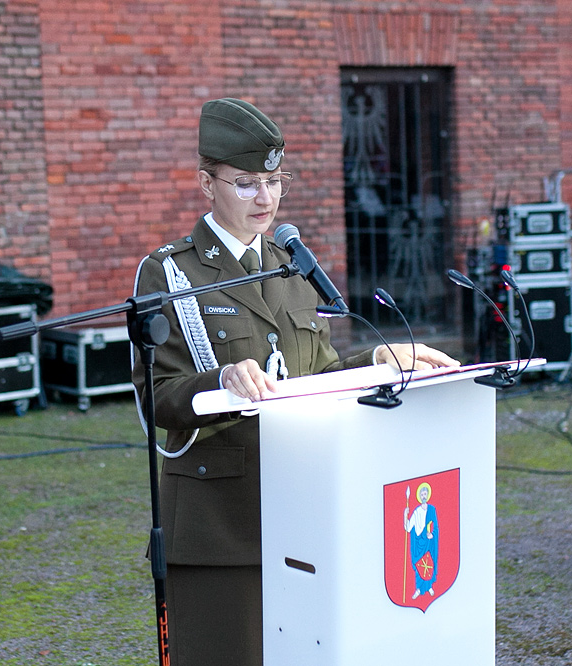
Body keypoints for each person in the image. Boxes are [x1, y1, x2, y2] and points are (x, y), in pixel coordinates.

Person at [131, 97, 459, 666]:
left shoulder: (292, 264)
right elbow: (155, 398)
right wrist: (221, 380)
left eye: (275, 181)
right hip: (221, 522)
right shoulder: (171, 271)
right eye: (246, 184)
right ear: (206, 184)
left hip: (306, 507)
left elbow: (319, 375)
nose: (266, 199)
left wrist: (378, 359)